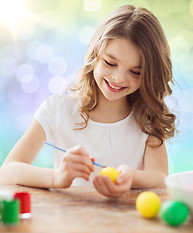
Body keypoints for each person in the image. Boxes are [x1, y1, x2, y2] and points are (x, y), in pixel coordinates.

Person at [0, 5, 176, 198]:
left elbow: (162, 180)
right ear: (95, 55)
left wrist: (132, 178)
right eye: (110, 63)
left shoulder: (147, 120)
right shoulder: (58, 109)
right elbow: (7, 171)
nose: (118, 78)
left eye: (135, 72)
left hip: (128, 225)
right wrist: (57, 177)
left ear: (149, 75)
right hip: (69, 224)